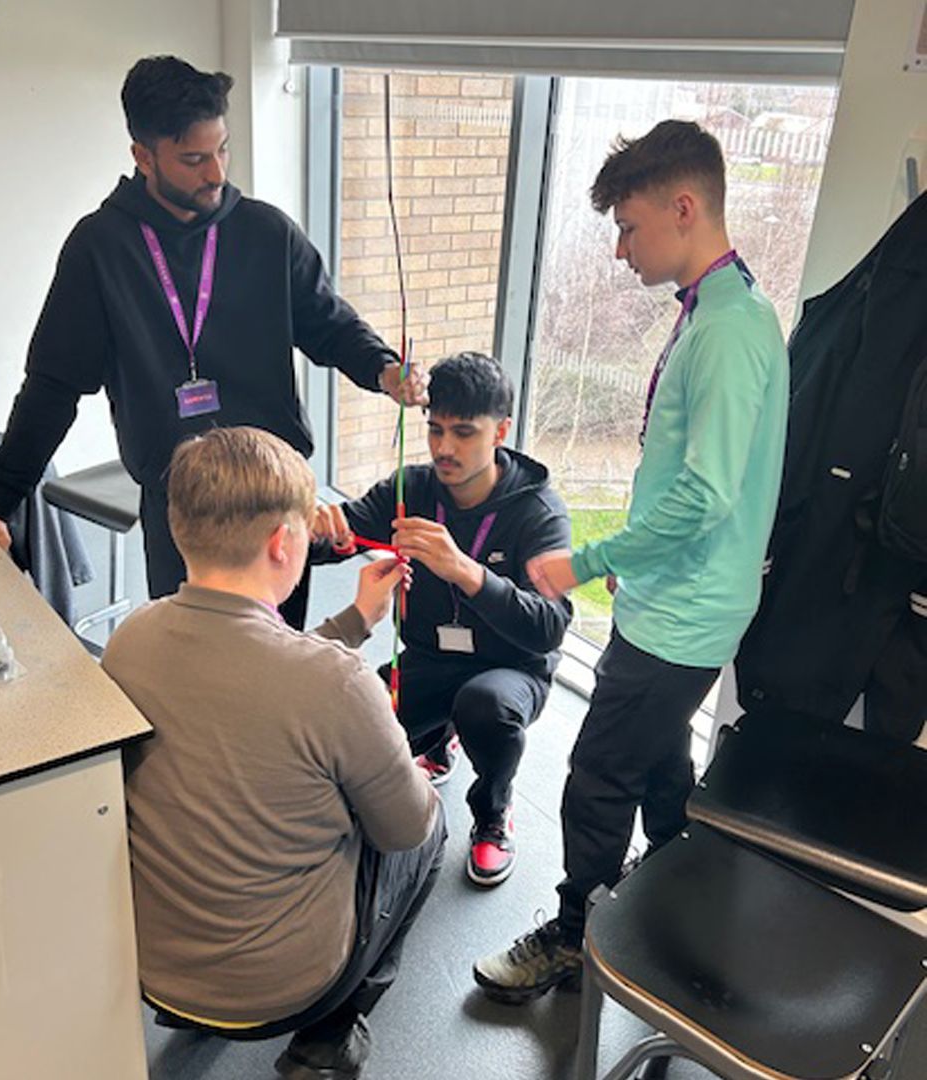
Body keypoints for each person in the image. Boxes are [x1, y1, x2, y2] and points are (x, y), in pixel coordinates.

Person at [0, 55, 424, 627]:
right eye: (193, 159)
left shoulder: (266, 232)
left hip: (275, 495)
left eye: (222, 150)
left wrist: (384, 370)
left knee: (277, 657)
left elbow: (329, 323)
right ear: (143, 156)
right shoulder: (100, 247)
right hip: (182, 503)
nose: (215, 173)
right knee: (193, 655)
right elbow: (53, 385)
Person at [473, 120, 789, 1001]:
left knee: (598, 776)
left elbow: (705, 495)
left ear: (685, 208)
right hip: (675, 592)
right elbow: (691, 481)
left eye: (629, 226)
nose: (619, 250)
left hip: (686, 610)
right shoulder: (725, 308)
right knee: (656, 759)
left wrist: (589, 559)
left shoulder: (727, 331)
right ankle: (677, 891)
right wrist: (633, 561)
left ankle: (578, 937)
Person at [102, 427, 445, 1080]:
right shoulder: (335, 684)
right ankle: (329, 1039)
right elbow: (405, 828)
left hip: (157, 977)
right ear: (285, 544)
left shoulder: (131, 640)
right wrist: (391, 755)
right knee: (432, 830)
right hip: (286, 988)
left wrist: (354, 623)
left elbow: (251, 668)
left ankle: (198, 1017)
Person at [313, 352, 573, 887]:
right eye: (434, 430)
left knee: (485, 706)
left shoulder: (538, 512)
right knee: (360, 723)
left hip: (512, 668)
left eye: (462, 432)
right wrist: (317, 529)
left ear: (500, 431)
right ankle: (438, 740)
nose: (443, 449)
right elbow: (344, 536)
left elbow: (550, 627)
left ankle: (493, 814)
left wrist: (466, 572)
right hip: (431, 657)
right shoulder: (411, 489)